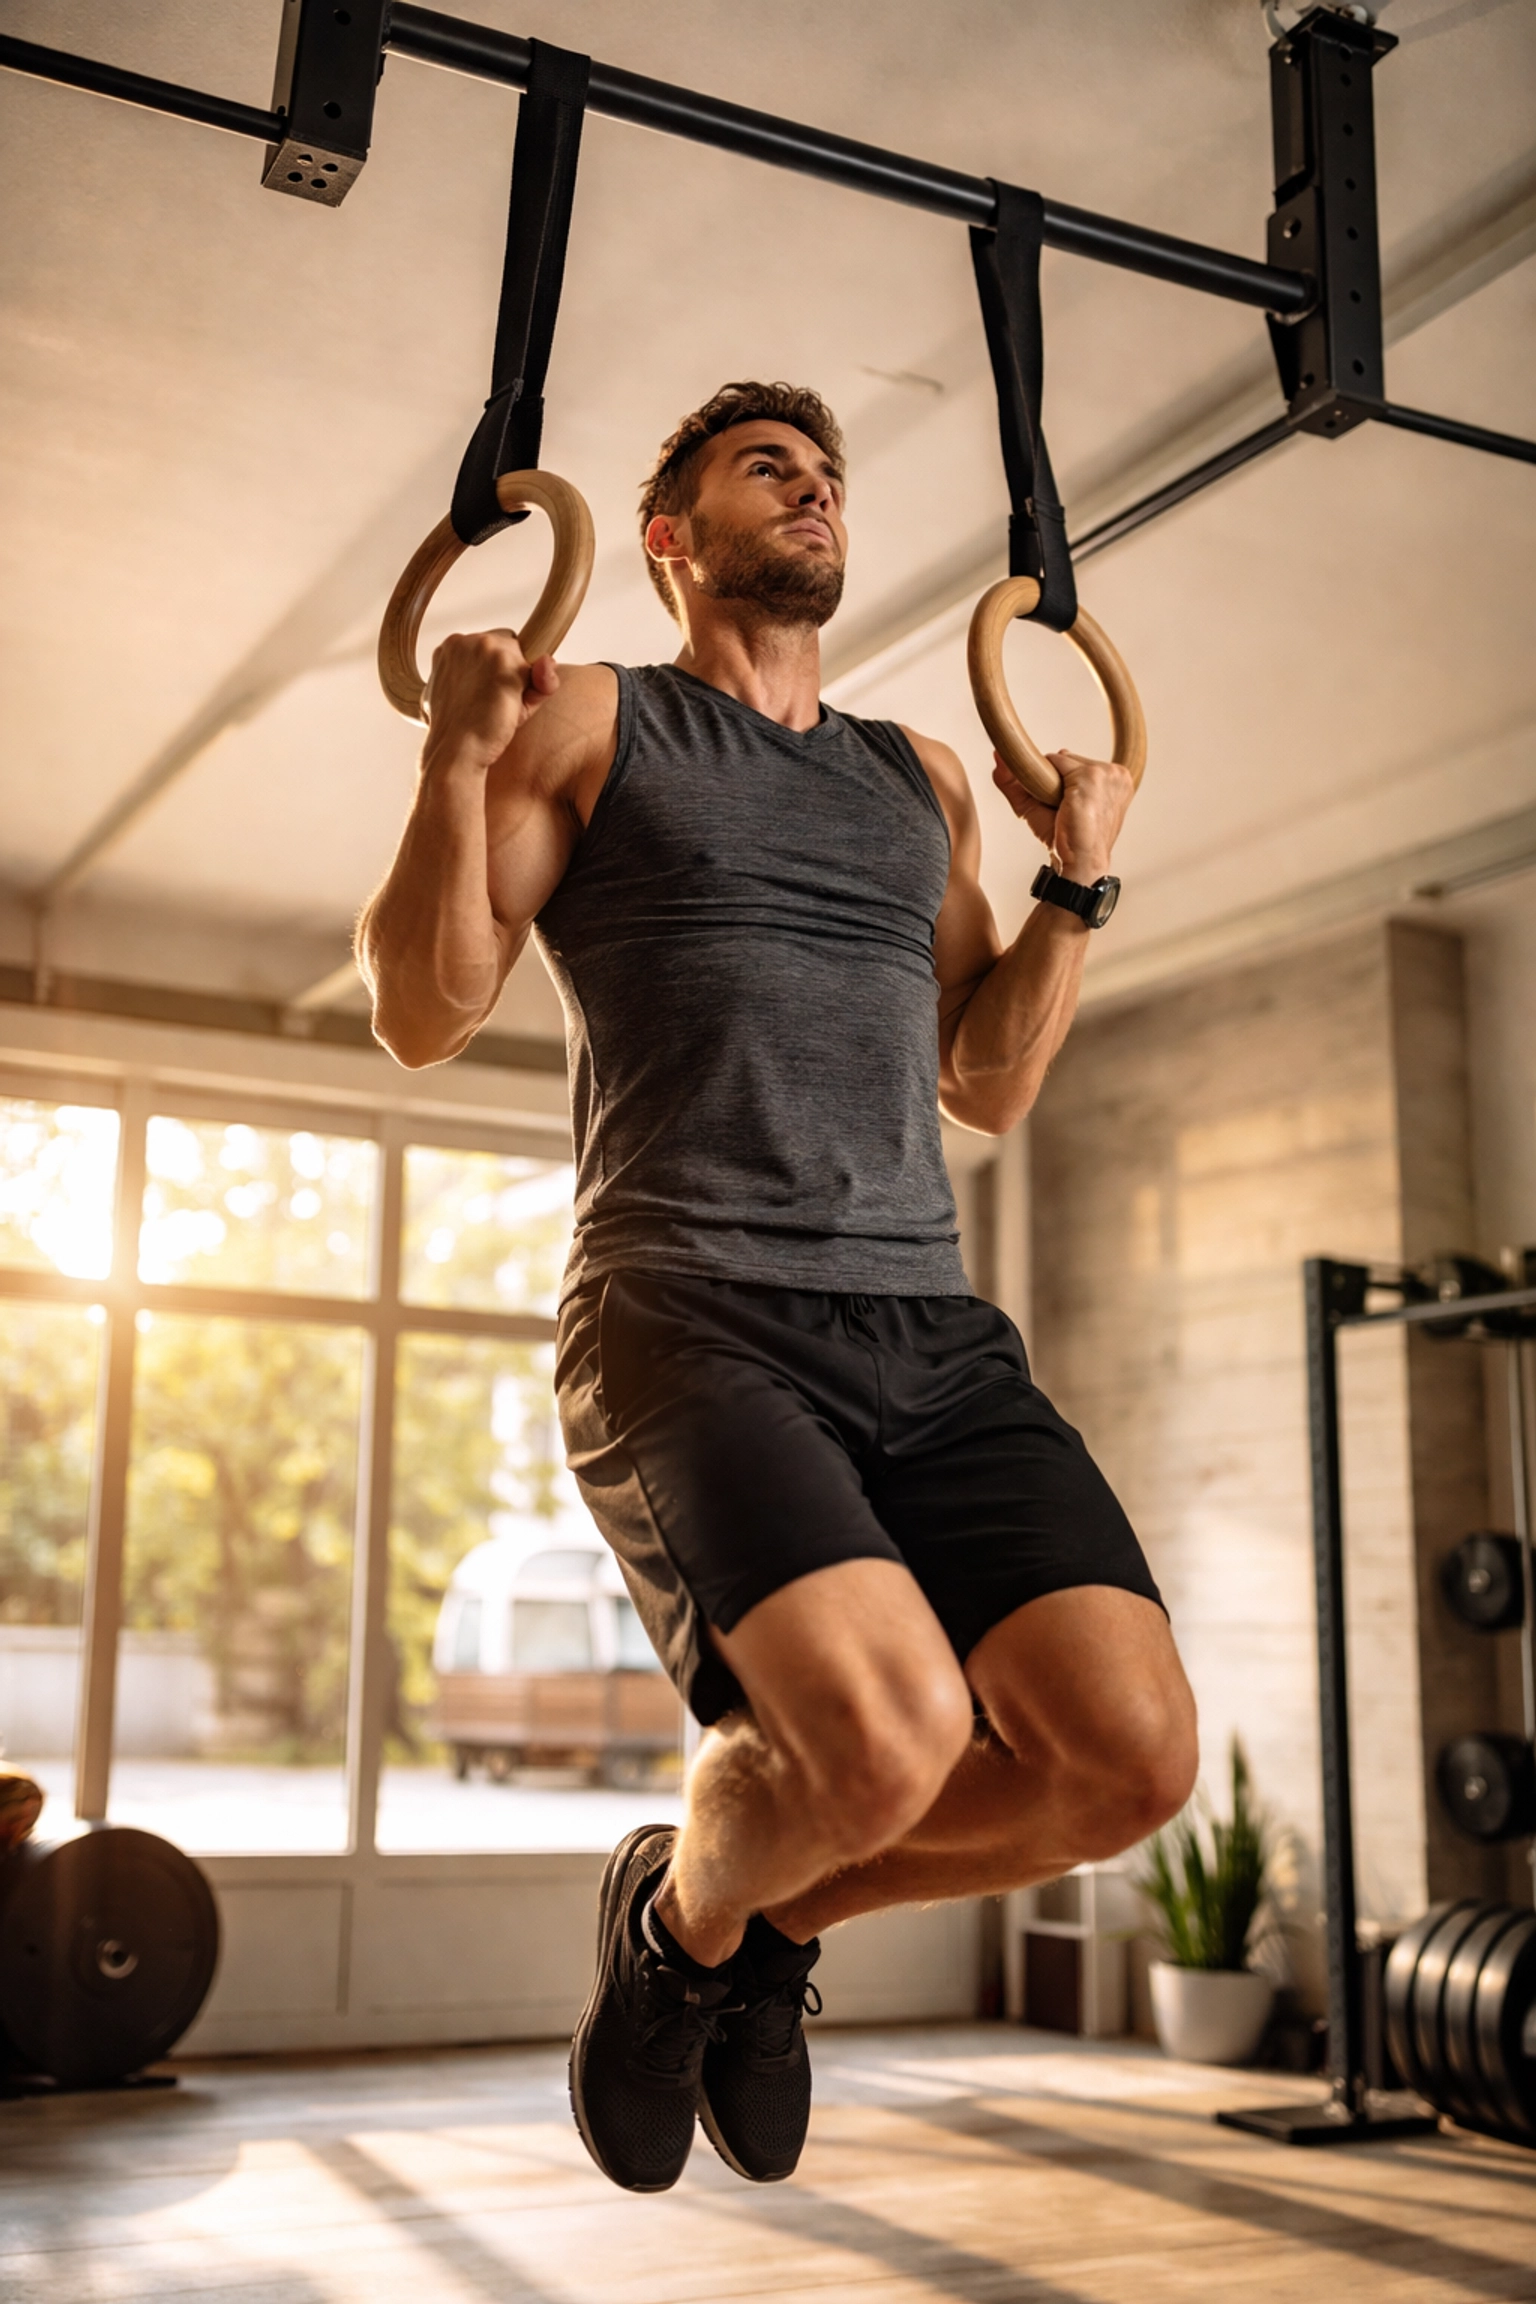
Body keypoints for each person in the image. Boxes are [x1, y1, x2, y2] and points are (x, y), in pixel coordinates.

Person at [359, 380, 1198, 2197]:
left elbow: (984, 1079)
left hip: (932, 1330)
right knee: (885, 1738)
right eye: (771, 472)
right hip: (692, 1307)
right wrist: (451, 757)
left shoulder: (920, 778)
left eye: (829, 478)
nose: (816, 494)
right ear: (667, 536)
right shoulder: (598, 717)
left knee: (1127, 1767)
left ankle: (720, 1920)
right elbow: (424, 1011)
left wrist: (1079, 881)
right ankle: (702, 1920)